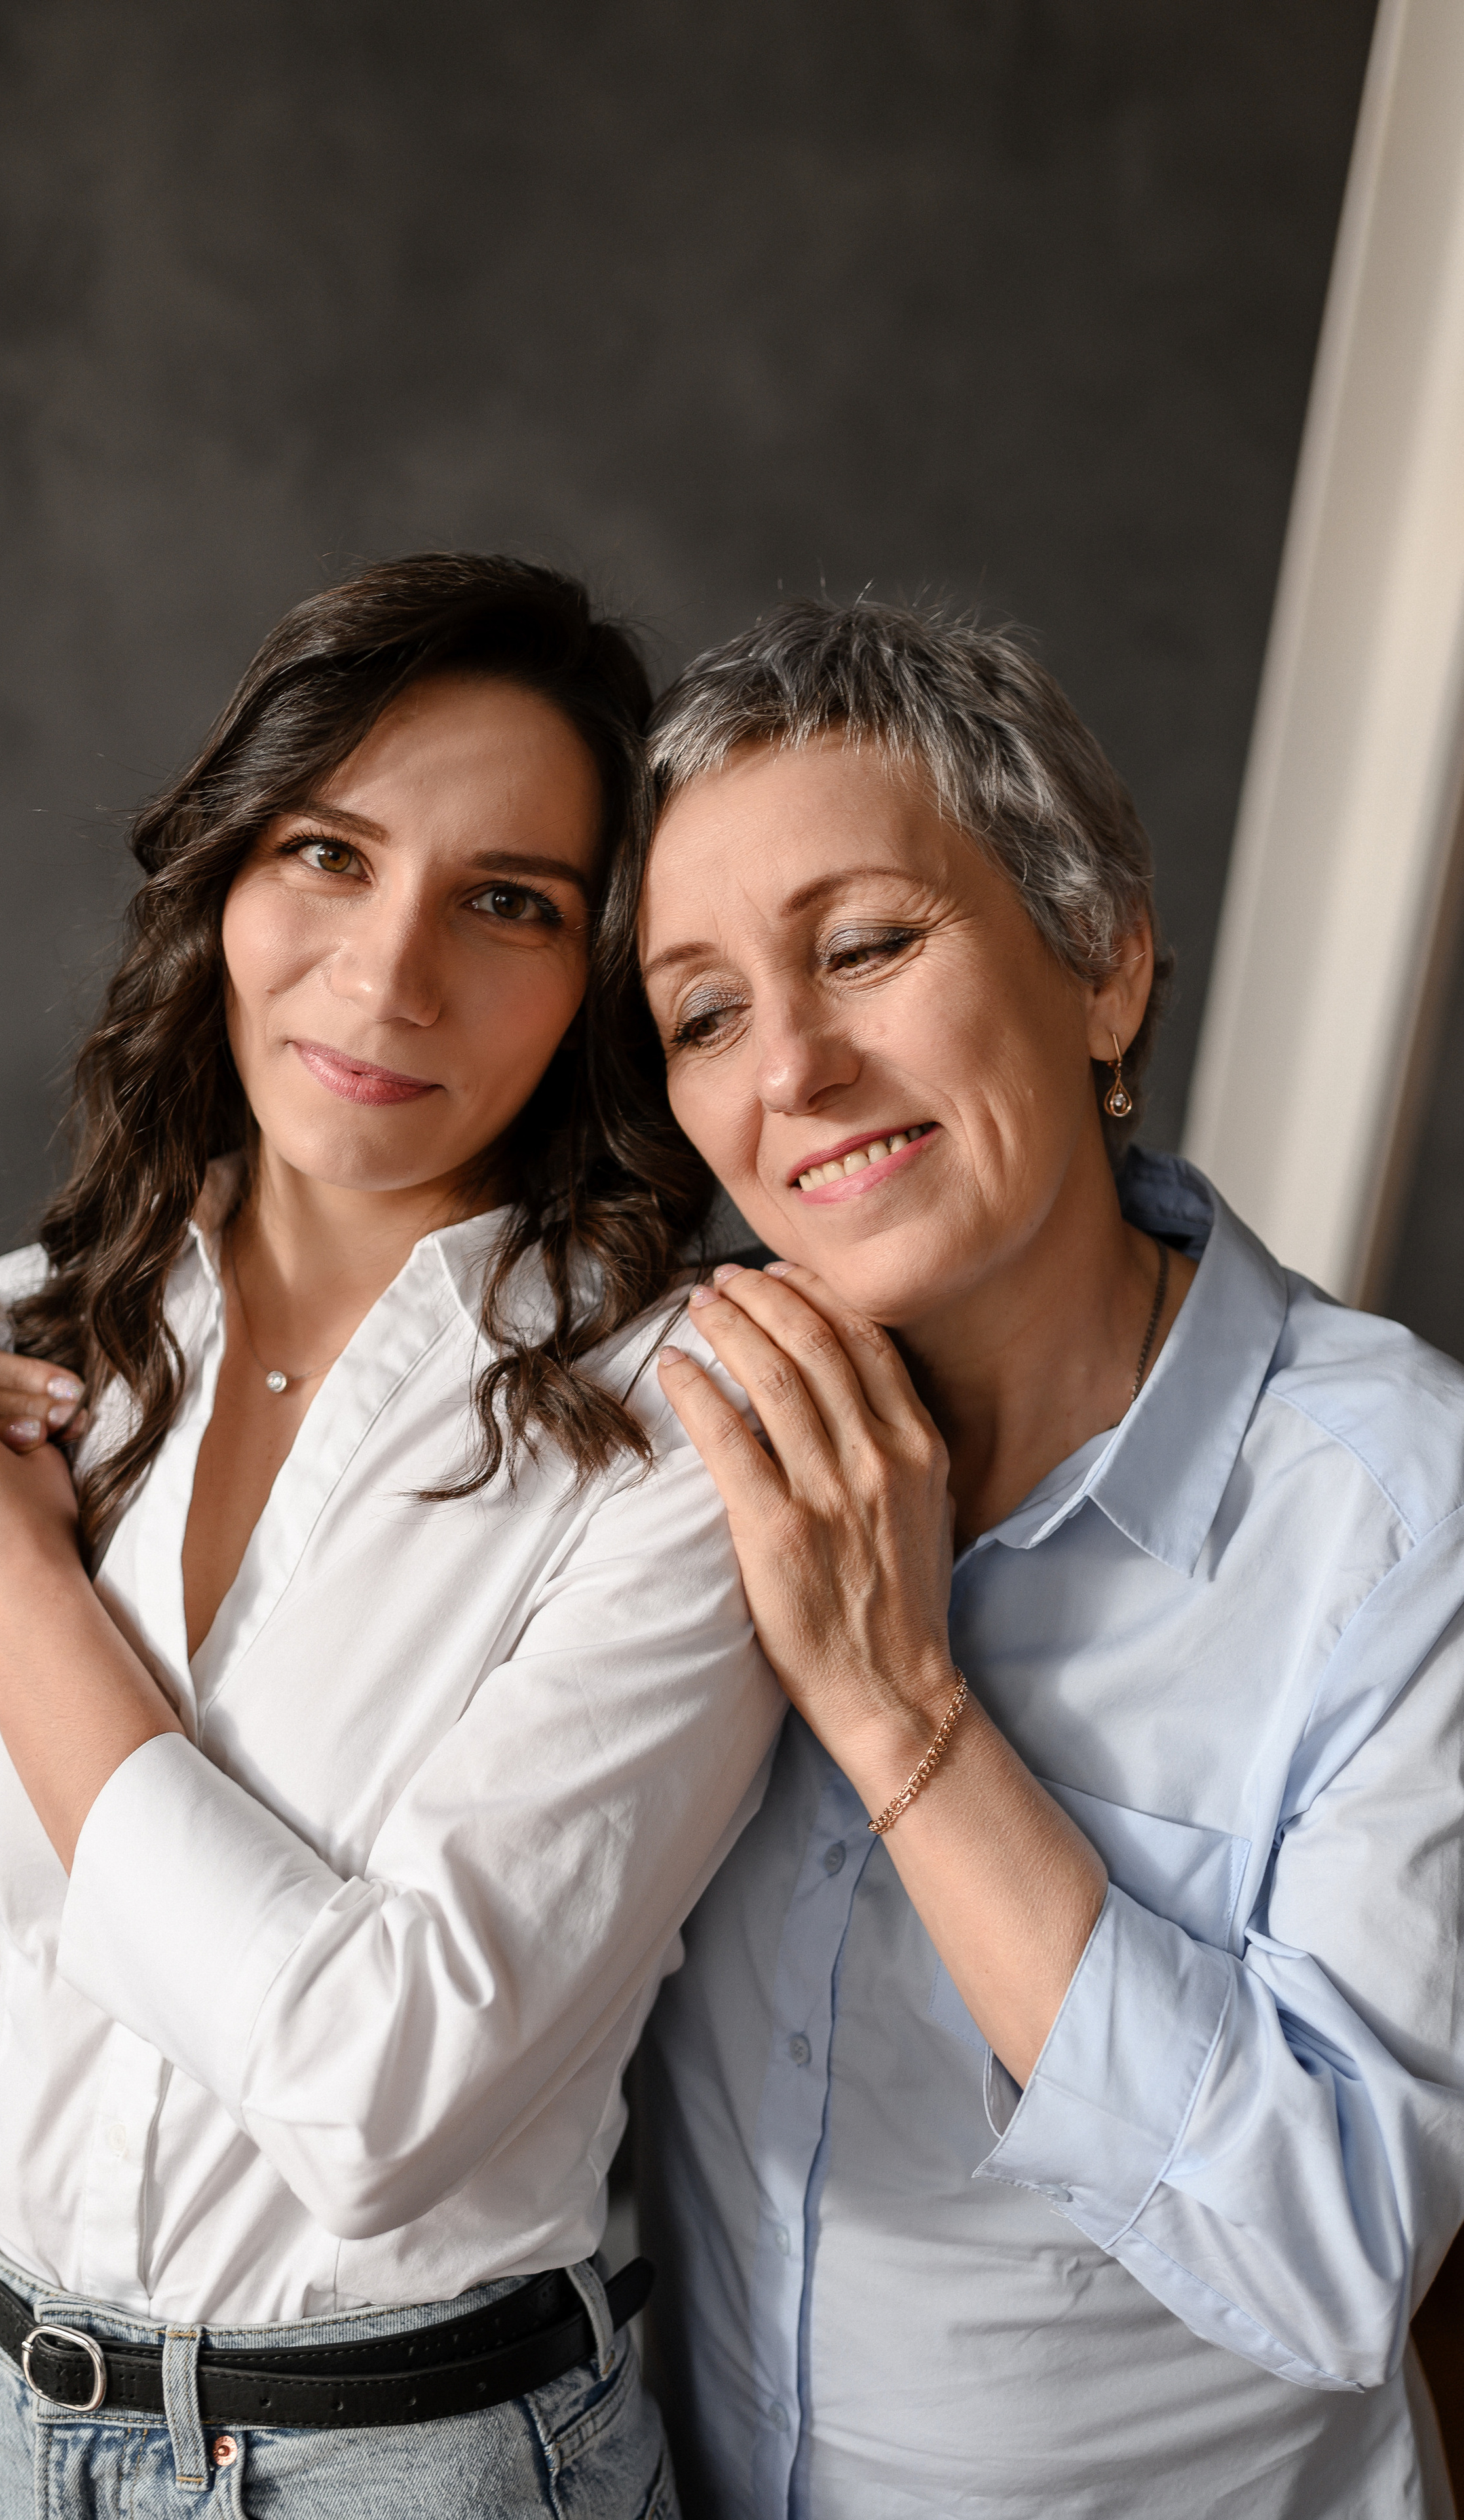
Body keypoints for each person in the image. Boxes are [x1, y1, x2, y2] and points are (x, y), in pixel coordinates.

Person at [0, 554, 781, 2519]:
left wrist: (6, 1591)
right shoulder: (29, 1334)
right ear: (228, 873)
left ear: (600, 976)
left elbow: (379, 2102)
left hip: (404, 2462)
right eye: (330, 853)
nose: (388, 973)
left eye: (509, 903)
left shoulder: (686, 1423)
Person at [624, 599, 1464, 2517]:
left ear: (1102, 961)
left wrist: (900, 1710)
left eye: (864, 947)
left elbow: (1335, 2257)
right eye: (704, 1015)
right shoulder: (681, 1430)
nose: (798, 1070)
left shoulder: (1404, 1516)